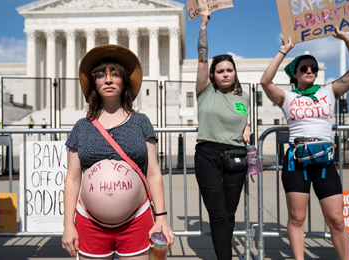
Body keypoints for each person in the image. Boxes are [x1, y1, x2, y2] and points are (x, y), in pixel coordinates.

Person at [61, 44, 175, 259]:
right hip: (89, 222)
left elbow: (153, 172)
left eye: (116, 73)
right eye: (100, 75)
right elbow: (73, 179)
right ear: (94, 83)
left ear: (124, 81)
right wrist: (68, 225)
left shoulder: (141, 122)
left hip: (137, 219)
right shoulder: (81, 127)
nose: (109, 79)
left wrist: (161, 218)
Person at [259, 27, 349, 260]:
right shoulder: (288, 97)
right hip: (297, 163)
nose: (309, 71)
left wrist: (346, 38)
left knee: (336, 219)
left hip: (325, 163)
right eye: (304, 68)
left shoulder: (329, 91)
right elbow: (265, 81)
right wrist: (283, 51)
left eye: (313, 68)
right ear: (294, 74)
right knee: (297, 219)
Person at [193, 11, 251, 260]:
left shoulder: (243, 98)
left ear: (235, 73)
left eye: (229, 70)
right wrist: (204, 25)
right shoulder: (205, 92)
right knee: (217, 214)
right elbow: (203, 59)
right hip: (209, 155)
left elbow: (240, 120)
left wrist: (247, 128)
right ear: (213, 76)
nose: (225, 74)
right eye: (220, 71)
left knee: (229, 213)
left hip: (236, 156)